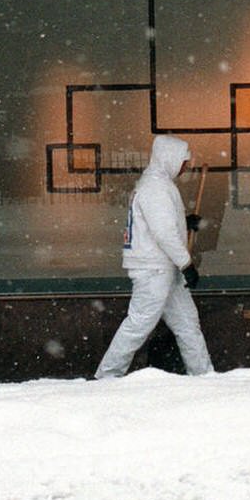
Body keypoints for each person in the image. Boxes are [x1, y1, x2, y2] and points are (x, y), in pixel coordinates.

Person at [95, 134, 213, 378]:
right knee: (139, 324)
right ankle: (106, 376)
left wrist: (185, 221)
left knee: (188, 325)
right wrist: (186, 264)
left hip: (163, 268)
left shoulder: (158, 185)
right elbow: (163, 232)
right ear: (169, 159)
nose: (185, 167)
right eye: (183, 162)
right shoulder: (155, 188)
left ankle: (203, 375)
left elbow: (163, 225)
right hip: (154, 269)